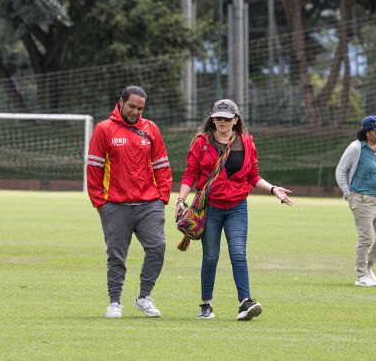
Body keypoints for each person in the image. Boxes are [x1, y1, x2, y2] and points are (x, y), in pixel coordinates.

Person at [176, 98, 293, 321]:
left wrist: (273, 189)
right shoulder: (201, 142)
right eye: (218, 118)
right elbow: (190, 173)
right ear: (212, 120)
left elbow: (253, 175)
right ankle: (206, 305)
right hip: (210, 206)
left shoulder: (247, 143)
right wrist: (181, 201)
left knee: (238, 253)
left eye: (227, 118)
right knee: (210, 257)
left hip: (237, 206)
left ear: (236, 120)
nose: (222, 121)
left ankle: (245, 303)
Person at [85, 85, 172, 319]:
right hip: (115, 205)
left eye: (140, 108)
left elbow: (162, 165)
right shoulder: (104, 129)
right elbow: (94, 167)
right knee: (116, 255)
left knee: (157, 248)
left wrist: (162, 197)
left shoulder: (151, 129)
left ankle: (144, 297)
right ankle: (114, 302)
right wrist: (100, 203)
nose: (135, 111)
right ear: (121, 102)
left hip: (149, 203)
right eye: (132, 106)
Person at [335, 115, 376, 287]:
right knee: (365, 238)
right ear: (368, 133)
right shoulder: (355, 148)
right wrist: (349, 194)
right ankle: (361, 276)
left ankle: (368, 267)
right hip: (362, 199)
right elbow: (340, 171)